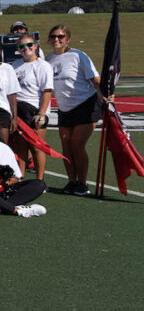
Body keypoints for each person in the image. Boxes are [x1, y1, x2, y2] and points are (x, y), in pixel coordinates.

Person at [46, 23, 110, 196]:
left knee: (76, 144)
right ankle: (72, 181)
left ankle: (82, 183)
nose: (57, 40)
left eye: (61, 37)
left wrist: (105, 95)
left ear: (68, 39)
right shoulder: (47, 59)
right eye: (53, 36)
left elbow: (95, 79)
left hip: (86, 104)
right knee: (66, 146)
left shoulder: (78, 56)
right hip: (64, 108)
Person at [11, 34, 53, 180]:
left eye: (29, 45)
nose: (26, 49)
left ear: (35, 46)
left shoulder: (43, 65)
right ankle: (20, 178)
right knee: (20, 148)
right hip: (18, 110)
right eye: (21, 46)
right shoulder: (15, 64)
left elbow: (47, 91)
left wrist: (41, 113)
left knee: (36, 147)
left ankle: (39, 181)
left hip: (34, 109)